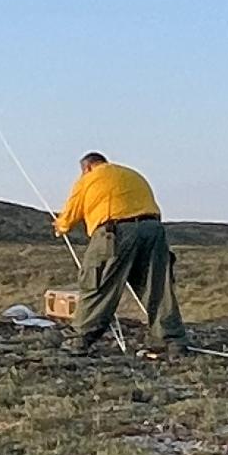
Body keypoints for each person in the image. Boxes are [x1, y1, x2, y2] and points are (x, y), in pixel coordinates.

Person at [52, 152, 187, 358]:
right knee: (157, 287)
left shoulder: (90, 178)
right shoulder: (132, 174)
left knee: (97, 284)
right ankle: (171, 342)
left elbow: (70, 214)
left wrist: (61, 226)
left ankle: (79, 340)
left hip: (115, 232)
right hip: (153, 230)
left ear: (87, 167)